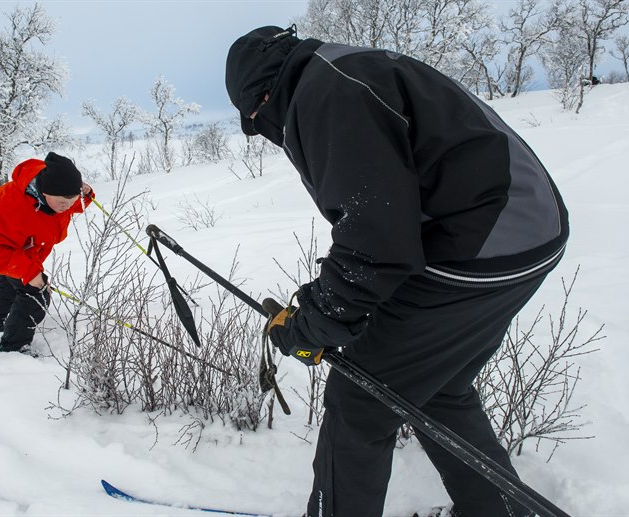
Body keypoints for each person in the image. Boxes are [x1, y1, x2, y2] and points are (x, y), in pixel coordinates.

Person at [225, 26, 568, 517]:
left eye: (256, 121)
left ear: (262, 95)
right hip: (526, 231)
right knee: (436, 385)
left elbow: (374, 245)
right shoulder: (344, 69)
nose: (262, 130)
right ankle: (498, 511)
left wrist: (312, 326)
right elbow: (386, 227)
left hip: (482, 246)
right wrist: (320, 312)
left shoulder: (325, 96)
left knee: (362, 397)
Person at [0, 152, 95, 354]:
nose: (67, 207)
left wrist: (86, 193)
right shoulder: (12, 206)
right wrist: (28, 272)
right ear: (45, 192)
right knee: (36, 293)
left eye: (72, 200)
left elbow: (73, 203)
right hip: (6, 246)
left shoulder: (56, 197)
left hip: (33, 246)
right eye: (63, 202)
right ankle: (14, 347)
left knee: (8, 281)